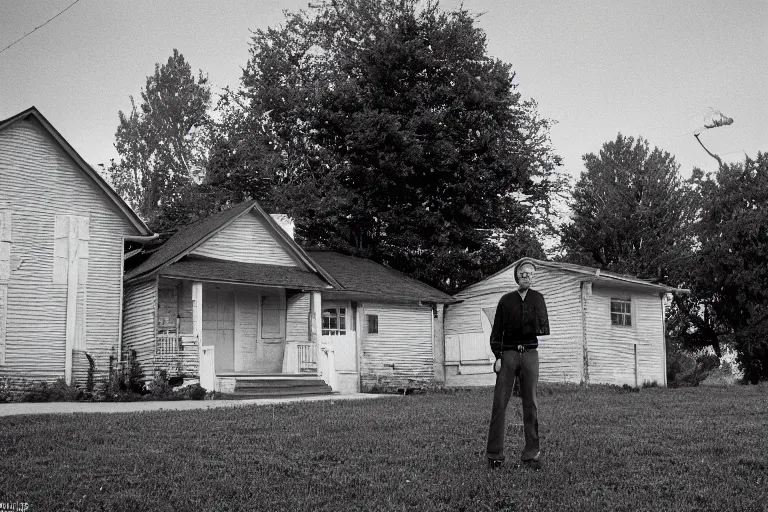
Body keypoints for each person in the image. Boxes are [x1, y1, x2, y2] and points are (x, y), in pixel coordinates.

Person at [486, 260, 549, 469]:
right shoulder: (506, 301)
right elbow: (496, 333)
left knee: (530, 403)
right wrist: (498, 356)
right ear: (516, 276)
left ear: (533, 277)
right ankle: (495, 455)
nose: (526, 276)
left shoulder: (538, 299)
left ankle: (531, 455)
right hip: (508, 354)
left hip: (530, 353)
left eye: (530, 273)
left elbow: (542, 327)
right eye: (522, 273)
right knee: (499, 404)